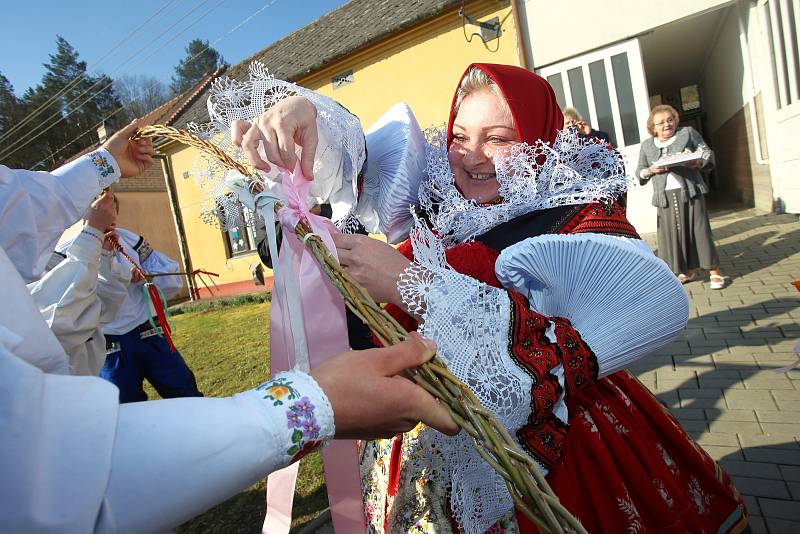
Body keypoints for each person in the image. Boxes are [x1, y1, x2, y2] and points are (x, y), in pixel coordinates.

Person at [236, 64, 747, 533]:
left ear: (537, 141)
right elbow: (358, 160)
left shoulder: (578, 220)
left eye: (497, 139)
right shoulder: (438, 198)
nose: (471, 155)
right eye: (460, 136)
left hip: (555, 452)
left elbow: (633, 320)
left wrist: (413, 284)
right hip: (425, 438)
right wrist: (306, 116)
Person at [0, 120, 457, 533]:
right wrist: (310, 403)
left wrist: (98, 167)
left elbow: (14, 208)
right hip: (115, 348)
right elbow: (56, 475)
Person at [28, 189, 130, 376]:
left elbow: (100, 309)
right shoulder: (12, 272)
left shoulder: (54, 258)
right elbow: (60, 325)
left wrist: (104, 254)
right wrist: (92, 234)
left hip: (84, 378)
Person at [99, 220, 203, 403]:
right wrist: (121, 278)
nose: (109, 215)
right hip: (111, 343)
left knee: (185, 395)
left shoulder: (129, 239)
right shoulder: (73, 250)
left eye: (111, 207)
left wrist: (148, 275)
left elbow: (169, 281)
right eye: (102, 207)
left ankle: (202, 430)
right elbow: (76, 297)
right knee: (123, 411)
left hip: (148, 333)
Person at [636, 104, 725, 289]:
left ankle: (714, 272)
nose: (667, 125)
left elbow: (707, 154)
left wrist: (697, 162)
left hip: (691, 191)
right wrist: (651, 170)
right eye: (660, 123)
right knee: (672, 236)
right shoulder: (647, 145)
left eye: (670, 120)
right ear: (653, 127)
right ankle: (687, 270)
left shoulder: (688, 134)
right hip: (665, 197)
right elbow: (640, 172)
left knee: (699, 231)